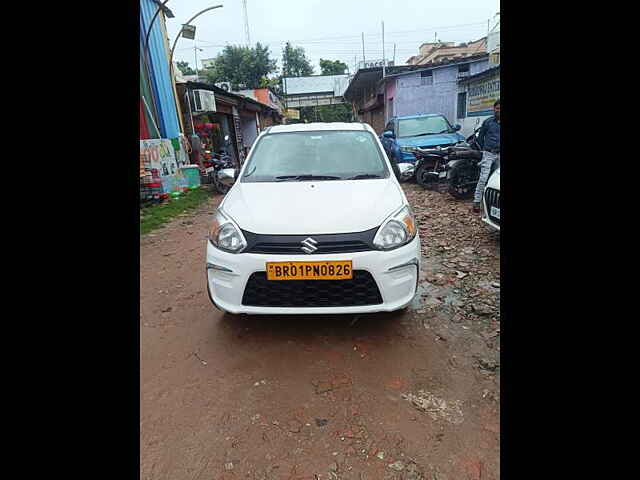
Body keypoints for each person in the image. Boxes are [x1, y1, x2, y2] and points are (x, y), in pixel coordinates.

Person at [472, 99, 500, 212]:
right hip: (488, 154)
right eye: (497, 108)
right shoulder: (488, 122)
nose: (499, 111)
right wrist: (485, 149)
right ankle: (477, 202)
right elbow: (480, 138)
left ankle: (495, 204)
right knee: (483, 178)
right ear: (494, 109)